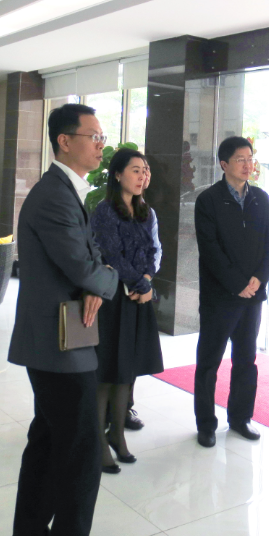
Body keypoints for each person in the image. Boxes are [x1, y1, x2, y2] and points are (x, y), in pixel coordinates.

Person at [9, 103, 119, 536]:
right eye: (94, 136)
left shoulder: (66, 190)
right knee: (82, 454)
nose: (101, 145)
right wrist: (108, 280)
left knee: (49, 443)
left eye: (102, 137)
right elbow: (82, 266)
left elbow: (90, 259)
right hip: (59, 346)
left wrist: (96, 280)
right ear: (65, 141)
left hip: (62, 339)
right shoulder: (55, 195)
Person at [193, 136, 269, 447]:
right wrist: (237, 284)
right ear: (224, 164)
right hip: (219, 297)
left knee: (246, 360)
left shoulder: (261, 198)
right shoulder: (209, 200)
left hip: (252, 297)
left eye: (250, 158)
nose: (247, 164)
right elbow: (210, 251)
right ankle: (205, 424)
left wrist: (258, 280)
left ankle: (241, 418)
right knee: (209, 362)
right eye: (240, 159)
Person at [91, 148, 164, 468]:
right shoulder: (105, 211)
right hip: (113, 299)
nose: (142, 175)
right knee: (107, 372)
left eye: (145, 170)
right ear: (118, 174)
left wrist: (146, 280)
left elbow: (154, 251)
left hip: (138, 297)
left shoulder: (147, 212)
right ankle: (98, 442)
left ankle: (117, 434)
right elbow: (111, 255)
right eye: (136, 170)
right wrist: (141, 284)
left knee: (126, 371)